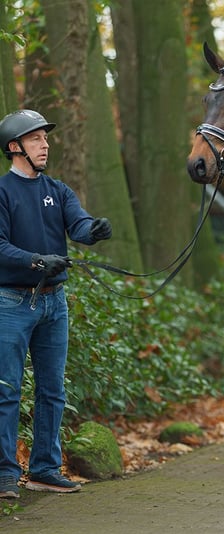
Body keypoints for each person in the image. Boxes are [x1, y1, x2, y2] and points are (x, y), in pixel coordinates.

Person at [0, 109, 112, 499]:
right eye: (35, 139)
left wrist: (93, 230)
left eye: (45, 138)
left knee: (52, 391)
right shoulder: (2, 192)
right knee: (7, 390)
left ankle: (45, 469)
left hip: (54, 303)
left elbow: (77, 224)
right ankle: (5, 474)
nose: (45, 144)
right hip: (12, 303)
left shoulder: (58, 189)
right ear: (15, 147)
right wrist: (34, 260)